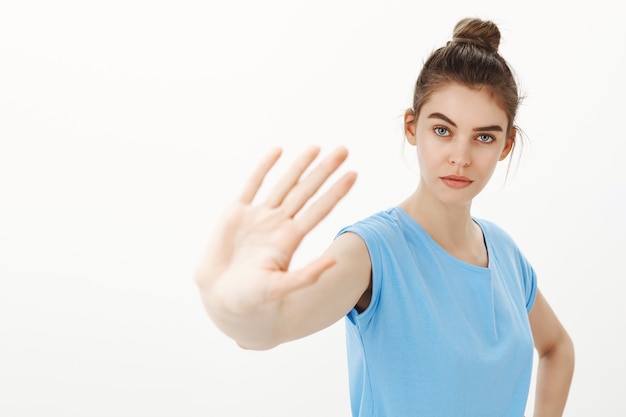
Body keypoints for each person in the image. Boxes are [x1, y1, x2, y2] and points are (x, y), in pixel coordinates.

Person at [195, 17, 575, 417]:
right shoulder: (371, 252)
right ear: (412, 128)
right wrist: (234, 311)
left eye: (484, 137)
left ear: (506, 144)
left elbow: (557, 347)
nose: (460, 157)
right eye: (443, 130)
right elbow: (274, 323)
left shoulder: (505, 254)